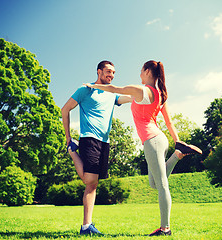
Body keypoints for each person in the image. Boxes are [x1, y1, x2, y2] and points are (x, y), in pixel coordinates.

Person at [85, 60, 202, 236]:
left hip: (152, 140)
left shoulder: (141, 90)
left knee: (162, 185)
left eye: (141, 70)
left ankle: (165, 228)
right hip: (158, 140)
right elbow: (168, 122)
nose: (139, 74)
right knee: (154, 183)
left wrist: (92, 86)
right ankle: (178, 154)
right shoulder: (160, 94)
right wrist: (177, 142)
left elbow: (116, 89)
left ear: (147, 71)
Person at [61, 60, 131, 235]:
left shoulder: (111, 93)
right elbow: (65, 110)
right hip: (89, 138)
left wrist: (144, 92)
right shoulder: (85, 90)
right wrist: (68, 137)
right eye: (108, 71)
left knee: (93, 183)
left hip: (104, 142)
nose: (111, 75)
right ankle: (72, 151)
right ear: (99, 71)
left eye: (114, 72)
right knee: (89, 181)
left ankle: (87, 226)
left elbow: (127, 97)